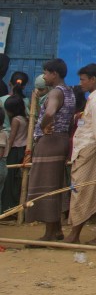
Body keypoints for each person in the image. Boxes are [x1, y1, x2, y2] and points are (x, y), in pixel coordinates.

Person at [25, 59, 75, 242]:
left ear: (55, 74)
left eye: (46, 73)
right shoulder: (69, 92)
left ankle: (49, 233)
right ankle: (56, 230)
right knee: (54, 185)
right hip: (61, 141)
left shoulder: (55, 92)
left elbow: (50, 112)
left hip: (50, 142)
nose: (44, 76)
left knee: (45, 185)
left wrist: (45, 125)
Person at [1, 94, 28, 212]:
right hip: (22, 150)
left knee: (10, 180)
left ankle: (8, 206)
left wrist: (6, 150)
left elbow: (11, 139)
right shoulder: (25, 118)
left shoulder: (15, 120)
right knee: (16, 179)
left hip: (14, 151)